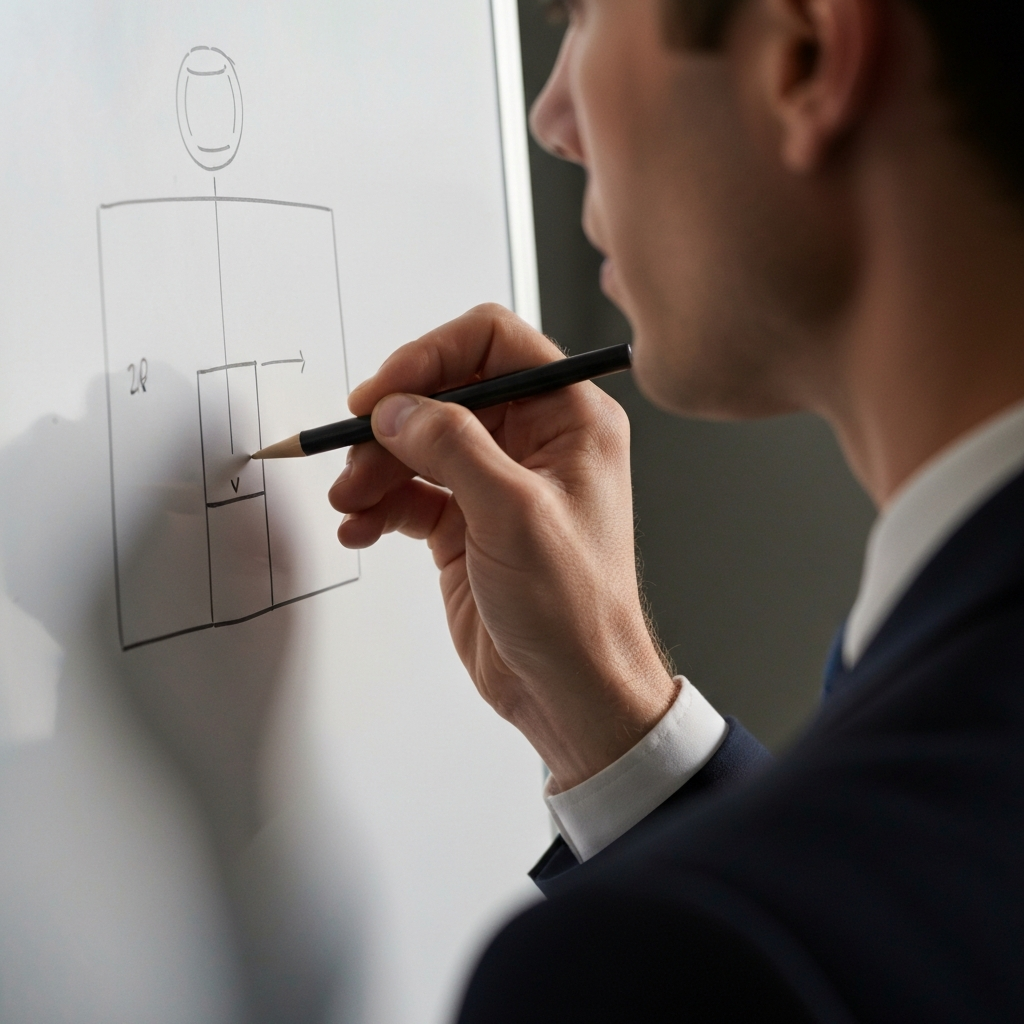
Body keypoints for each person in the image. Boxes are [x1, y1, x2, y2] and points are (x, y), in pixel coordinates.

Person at [329, 0, 1024, 1019]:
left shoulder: (664, 960)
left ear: (804, 56)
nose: (551, 116)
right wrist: (621, 736)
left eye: (583, 17)